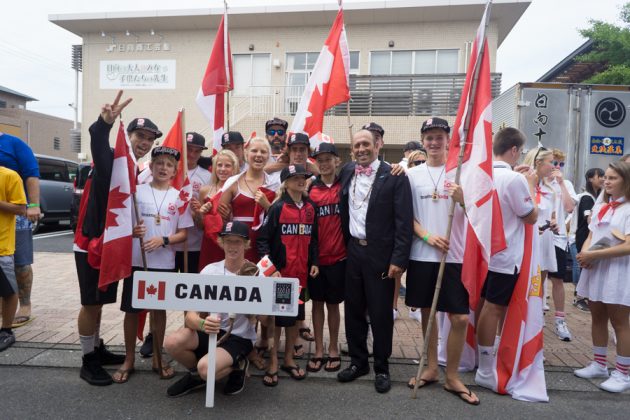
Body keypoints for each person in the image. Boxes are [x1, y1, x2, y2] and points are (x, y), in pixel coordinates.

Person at [74, 90, 160, 385]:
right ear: (130, 136)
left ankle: (96, 348)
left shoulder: (135, 169)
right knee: (91, 303)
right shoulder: (111, 159)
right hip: (91, 244)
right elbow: (98, 143)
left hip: (112, 245)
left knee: (101, 301)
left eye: (150, 138)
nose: (145, 142)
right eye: (140, 135)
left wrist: (133, 229)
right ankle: (87, 361)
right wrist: (104, 123)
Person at [404, 118, 478, 405]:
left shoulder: (464, 173)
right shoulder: (412, 175)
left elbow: (479, 216)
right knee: (427, 312)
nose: (434, 142)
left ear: (448, 140)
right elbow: (406, 215)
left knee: (459, 316)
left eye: (439, 137)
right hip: (422, 254)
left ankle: (453, 376)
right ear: (423, 141)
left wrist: (462, 199)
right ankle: (432, 367)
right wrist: (426, 236)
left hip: (455, 255)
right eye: (429, 137)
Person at [337, 129, 412, 394]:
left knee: (381, 313)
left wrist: (398, 259)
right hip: (353, 251)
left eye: (366, 144)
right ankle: (359, 362)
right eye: (357, 145)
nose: (361, 149)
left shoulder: (394, 176)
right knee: (354, 310)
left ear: (377, 145)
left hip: (381, 255)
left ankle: (381, 366)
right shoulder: (346, 171)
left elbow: (404, 222)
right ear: (352, 150)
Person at [115, 146, 192, 384]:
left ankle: (158, 356)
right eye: (159, 163)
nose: (163, 168)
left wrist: (164, 240)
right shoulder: (136, 192)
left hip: (164, 264)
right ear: (151, 165)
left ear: (175, 171)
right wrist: (131, 230)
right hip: (138, 262)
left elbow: (183, 235)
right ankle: (129, 358)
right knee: (131, 310)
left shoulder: (179, 197)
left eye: (169, 165)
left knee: (158, 311)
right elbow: (121, 223)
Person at [473, 127, 538, 390]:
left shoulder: (482, 174)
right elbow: (530, 215)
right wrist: (531, 186)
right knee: (494, 307)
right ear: (513, 150)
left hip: (482, 252)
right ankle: (487, 369)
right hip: (505, 254)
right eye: (520, 151)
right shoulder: (514, 180)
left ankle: (483, 361)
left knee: (483, 304)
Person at [164, 221, 257, 397]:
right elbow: (190, 316)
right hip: (213, 330)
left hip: (239, 337)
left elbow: (267, 321)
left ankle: (238, 366)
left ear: (246, 244)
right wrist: (202, 323)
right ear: (221, 242)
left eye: (237, 241)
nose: (232, 246)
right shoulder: (209, 271)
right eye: (228, 240)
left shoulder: (255, 272)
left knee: (205, 368)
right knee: (172, 342)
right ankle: (195, 376)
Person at [257, 164, 319, 386]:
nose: (301, 180)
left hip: (300, 277)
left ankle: (289, 360)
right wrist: (271, 271)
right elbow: (262, 241)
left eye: (303, 177)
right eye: (295, 177)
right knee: (278, 321)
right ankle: (274, 359)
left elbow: (314, 240)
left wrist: (315, 262)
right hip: (281, 277)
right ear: (286, 182)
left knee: (295, 318)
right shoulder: (277, 208)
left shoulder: (311, 207)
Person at [575, 161, 630, 393]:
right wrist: (586, 254)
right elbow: (592, 233)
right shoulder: (602, 206)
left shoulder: (628, 209)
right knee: (597, 316)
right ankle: (599, 363)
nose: (606, 182)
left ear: (626, 182)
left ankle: (623, 373)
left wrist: (596, 255)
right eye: (605, 177)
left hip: (617, 270)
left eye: (613, 178)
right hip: (597, 268)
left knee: (619, 321)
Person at [307, 143, 345, 373]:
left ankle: (333, 348)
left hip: (340, 258)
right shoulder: (311, 189)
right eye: (319, 160)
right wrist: (313, 259)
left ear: (337, 161)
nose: (324, 163)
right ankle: (319, 349)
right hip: (317, 261)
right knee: (317, 305)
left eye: (328, 159)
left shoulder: (346, 185)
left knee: (334, 306)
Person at [0, 132, 41, 328]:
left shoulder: (14, 144)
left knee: (20, 261)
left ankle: (24, 305)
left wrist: (33, 205)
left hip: (16, 212)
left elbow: (31, 174)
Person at [545, 149, 578, 341]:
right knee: (537, 278)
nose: (557, 167)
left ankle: (560, 320)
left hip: (558, 238)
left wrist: (561, 184)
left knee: (557, 279)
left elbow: (569, 207)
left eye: (560, 164)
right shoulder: (537, 181)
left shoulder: (566, 184)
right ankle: (534, 313)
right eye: (554, 163)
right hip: (540, 234)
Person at [522, 147, 557, 311]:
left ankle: (536, 315)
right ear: (538, 162)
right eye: (550, 162)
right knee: (525, 279)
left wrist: (554, 222)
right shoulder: (521, 182)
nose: (553, 166)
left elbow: (552, 214)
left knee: (541, 280)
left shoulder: (550, 190)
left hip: (545, 239)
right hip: (526, 239)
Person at [174, 132, 212, 274]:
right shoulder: (169, 171)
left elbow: (209, 209)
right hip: (169, 243)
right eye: (189, 149)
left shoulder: (207, 176)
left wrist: (199, 210)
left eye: (197, 151)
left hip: (193, 244)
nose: (192, 154)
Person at [196, 149, 240, 271]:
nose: (223, 169)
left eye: (227, 166)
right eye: (219, 165)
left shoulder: (238, 190)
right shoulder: (205, 190)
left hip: (230, 241)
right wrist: (200, 213)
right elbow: (200, 226)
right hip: (208, 242)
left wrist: (230, 217)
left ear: (234, 168)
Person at [569, 168, 604, 311]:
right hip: (580, 238)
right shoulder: (587, 197)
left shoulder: (595, 197)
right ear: (590, 179)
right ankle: (580, 297)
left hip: (585, 238)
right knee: (581, 265)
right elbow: (588, 218)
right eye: (600, 176)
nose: (602, 179)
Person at [0, 166, 27, 351]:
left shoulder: (9, 176)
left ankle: (6, 330)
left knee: (8, 290)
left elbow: (20, 208)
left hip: (1, 246)